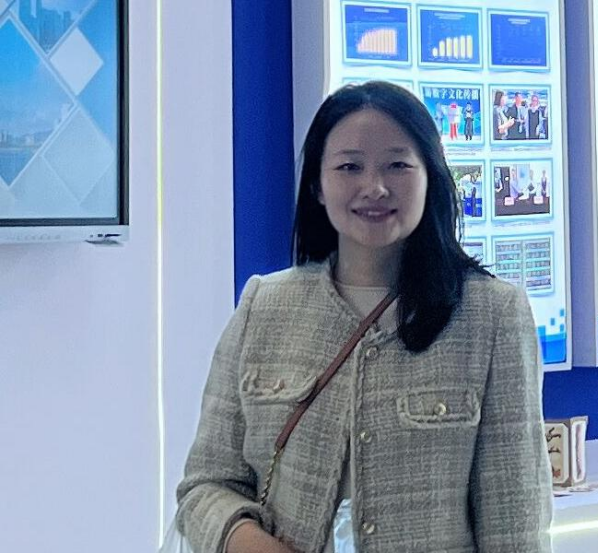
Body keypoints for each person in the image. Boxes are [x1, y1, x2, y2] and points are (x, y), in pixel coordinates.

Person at [176, 81, 552, 553]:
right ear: (317, 184)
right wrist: (251, 542)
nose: (374, 187)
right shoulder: (264, 307)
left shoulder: (492, 315)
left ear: (431, 176)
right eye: (350, 166)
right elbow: (205, 486)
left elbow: (514, 522)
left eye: (397, 165)